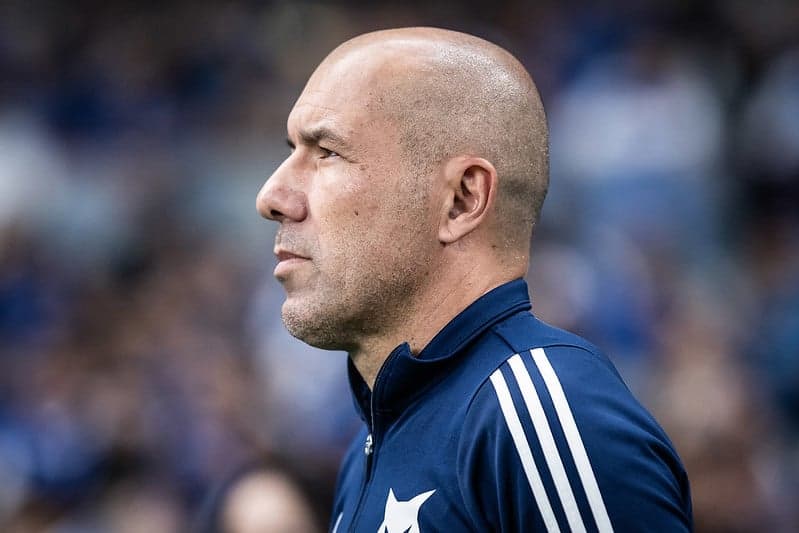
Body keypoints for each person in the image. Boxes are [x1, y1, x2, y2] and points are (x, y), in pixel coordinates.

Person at [256, 27, 692, 532]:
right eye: (291, 150)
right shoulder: (373, 443)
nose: (272, 195)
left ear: (462, 199)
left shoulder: (541, 418)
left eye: (327, 151)